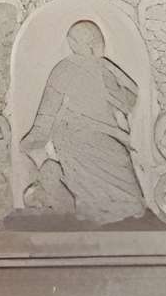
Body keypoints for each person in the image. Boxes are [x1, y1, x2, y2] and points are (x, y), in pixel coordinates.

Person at [22, 20, 146, 225]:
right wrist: (36, 137)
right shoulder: (63, 69)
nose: (98, 44)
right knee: (107, 158)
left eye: (98, 39)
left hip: (103, 132)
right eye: (92, 40)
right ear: (74, 43)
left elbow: (129, 103)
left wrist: (112, 70)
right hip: (73, 135)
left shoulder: (102, 68)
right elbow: (48, 109)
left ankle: (119, 206)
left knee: (120, 157)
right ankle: (92, 208)